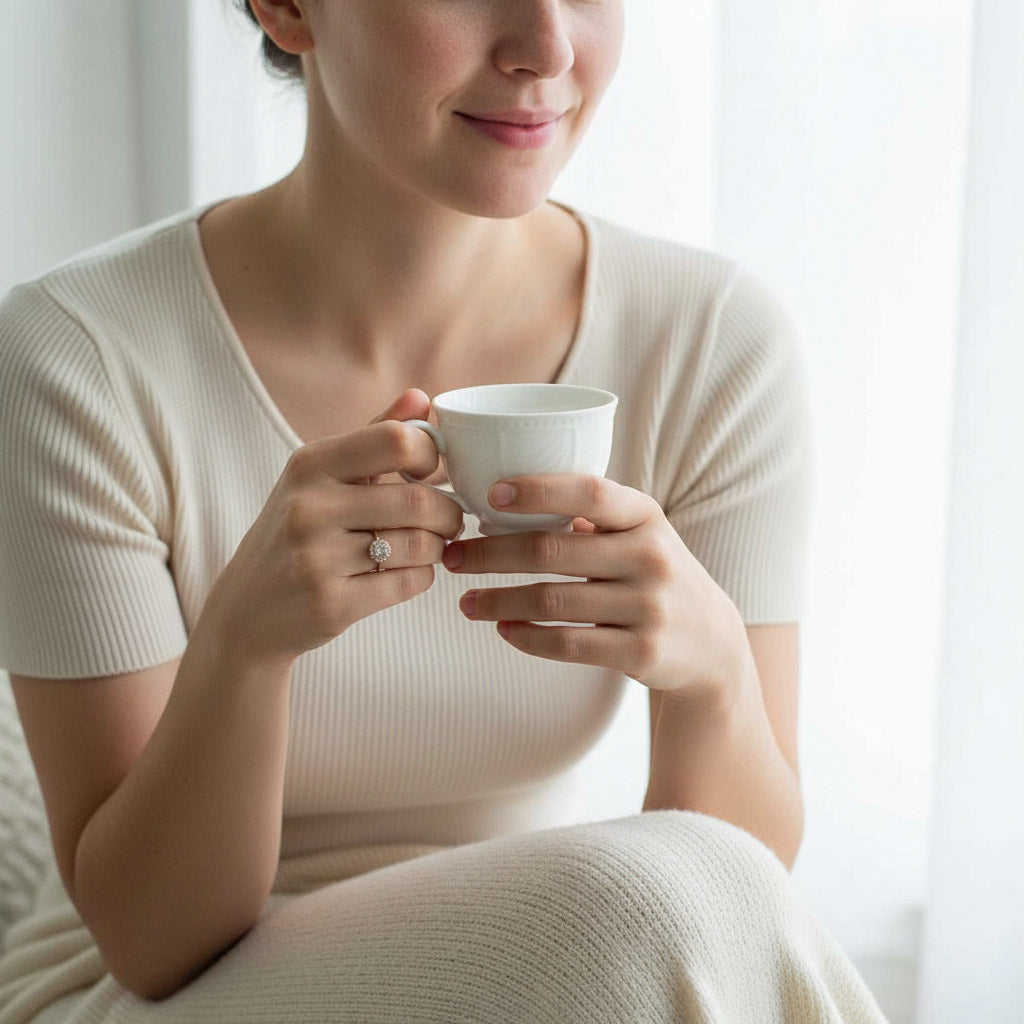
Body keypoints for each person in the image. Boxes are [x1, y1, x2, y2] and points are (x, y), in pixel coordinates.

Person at [0, 2, 889, 1021]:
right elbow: (153, 941)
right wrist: (243, 646)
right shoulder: (80, 356)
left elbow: (742, 900)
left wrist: (715, 674)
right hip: (158, 990)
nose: (547, 48)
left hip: (553, 976)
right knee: (637, 910)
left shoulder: (710, 342)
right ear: (289, 7)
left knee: (656, 906)